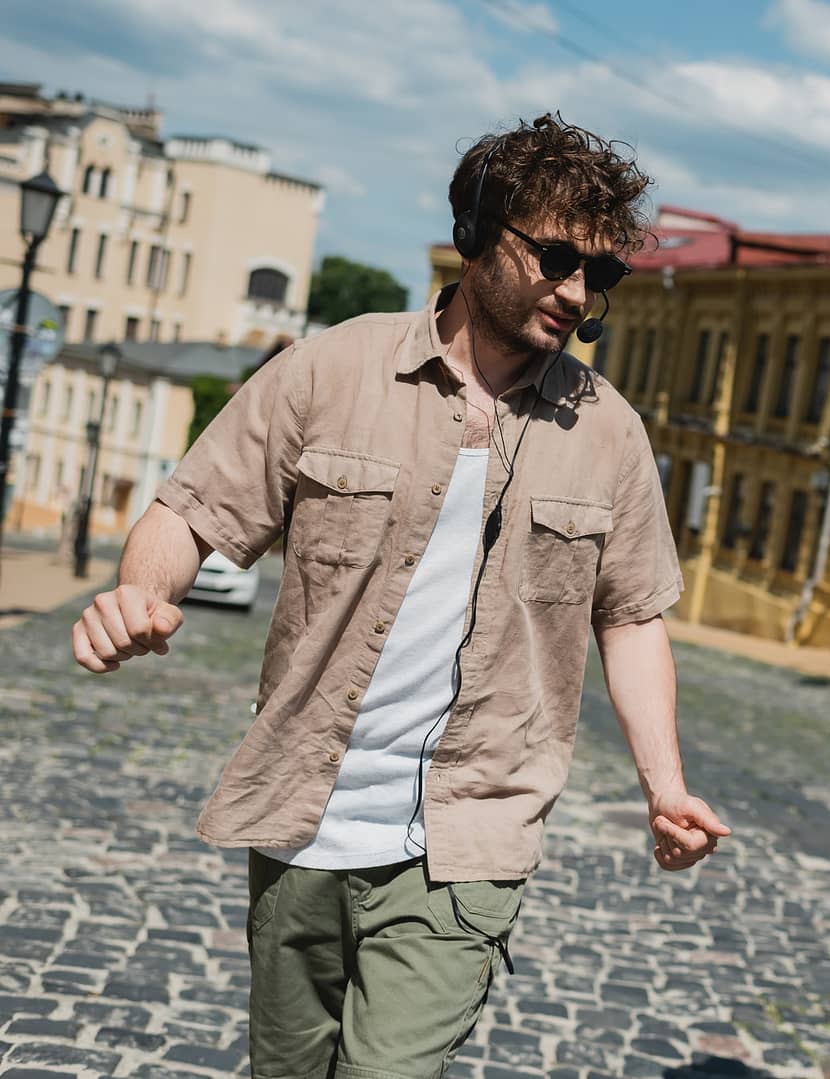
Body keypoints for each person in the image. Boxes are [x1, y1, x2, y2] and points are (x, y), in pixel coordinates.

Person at [70, 115, 730, 1075]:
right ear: (475, 233)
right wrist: (139, 593)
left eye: (600, 273)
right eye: (554, 256)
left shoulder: (607, 432)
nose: (577, 292)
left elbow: (630, 616)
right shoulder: (331, 369)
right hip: (304, 818)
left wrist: (665, 787)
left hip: (468, 839)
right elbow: (192, 510)